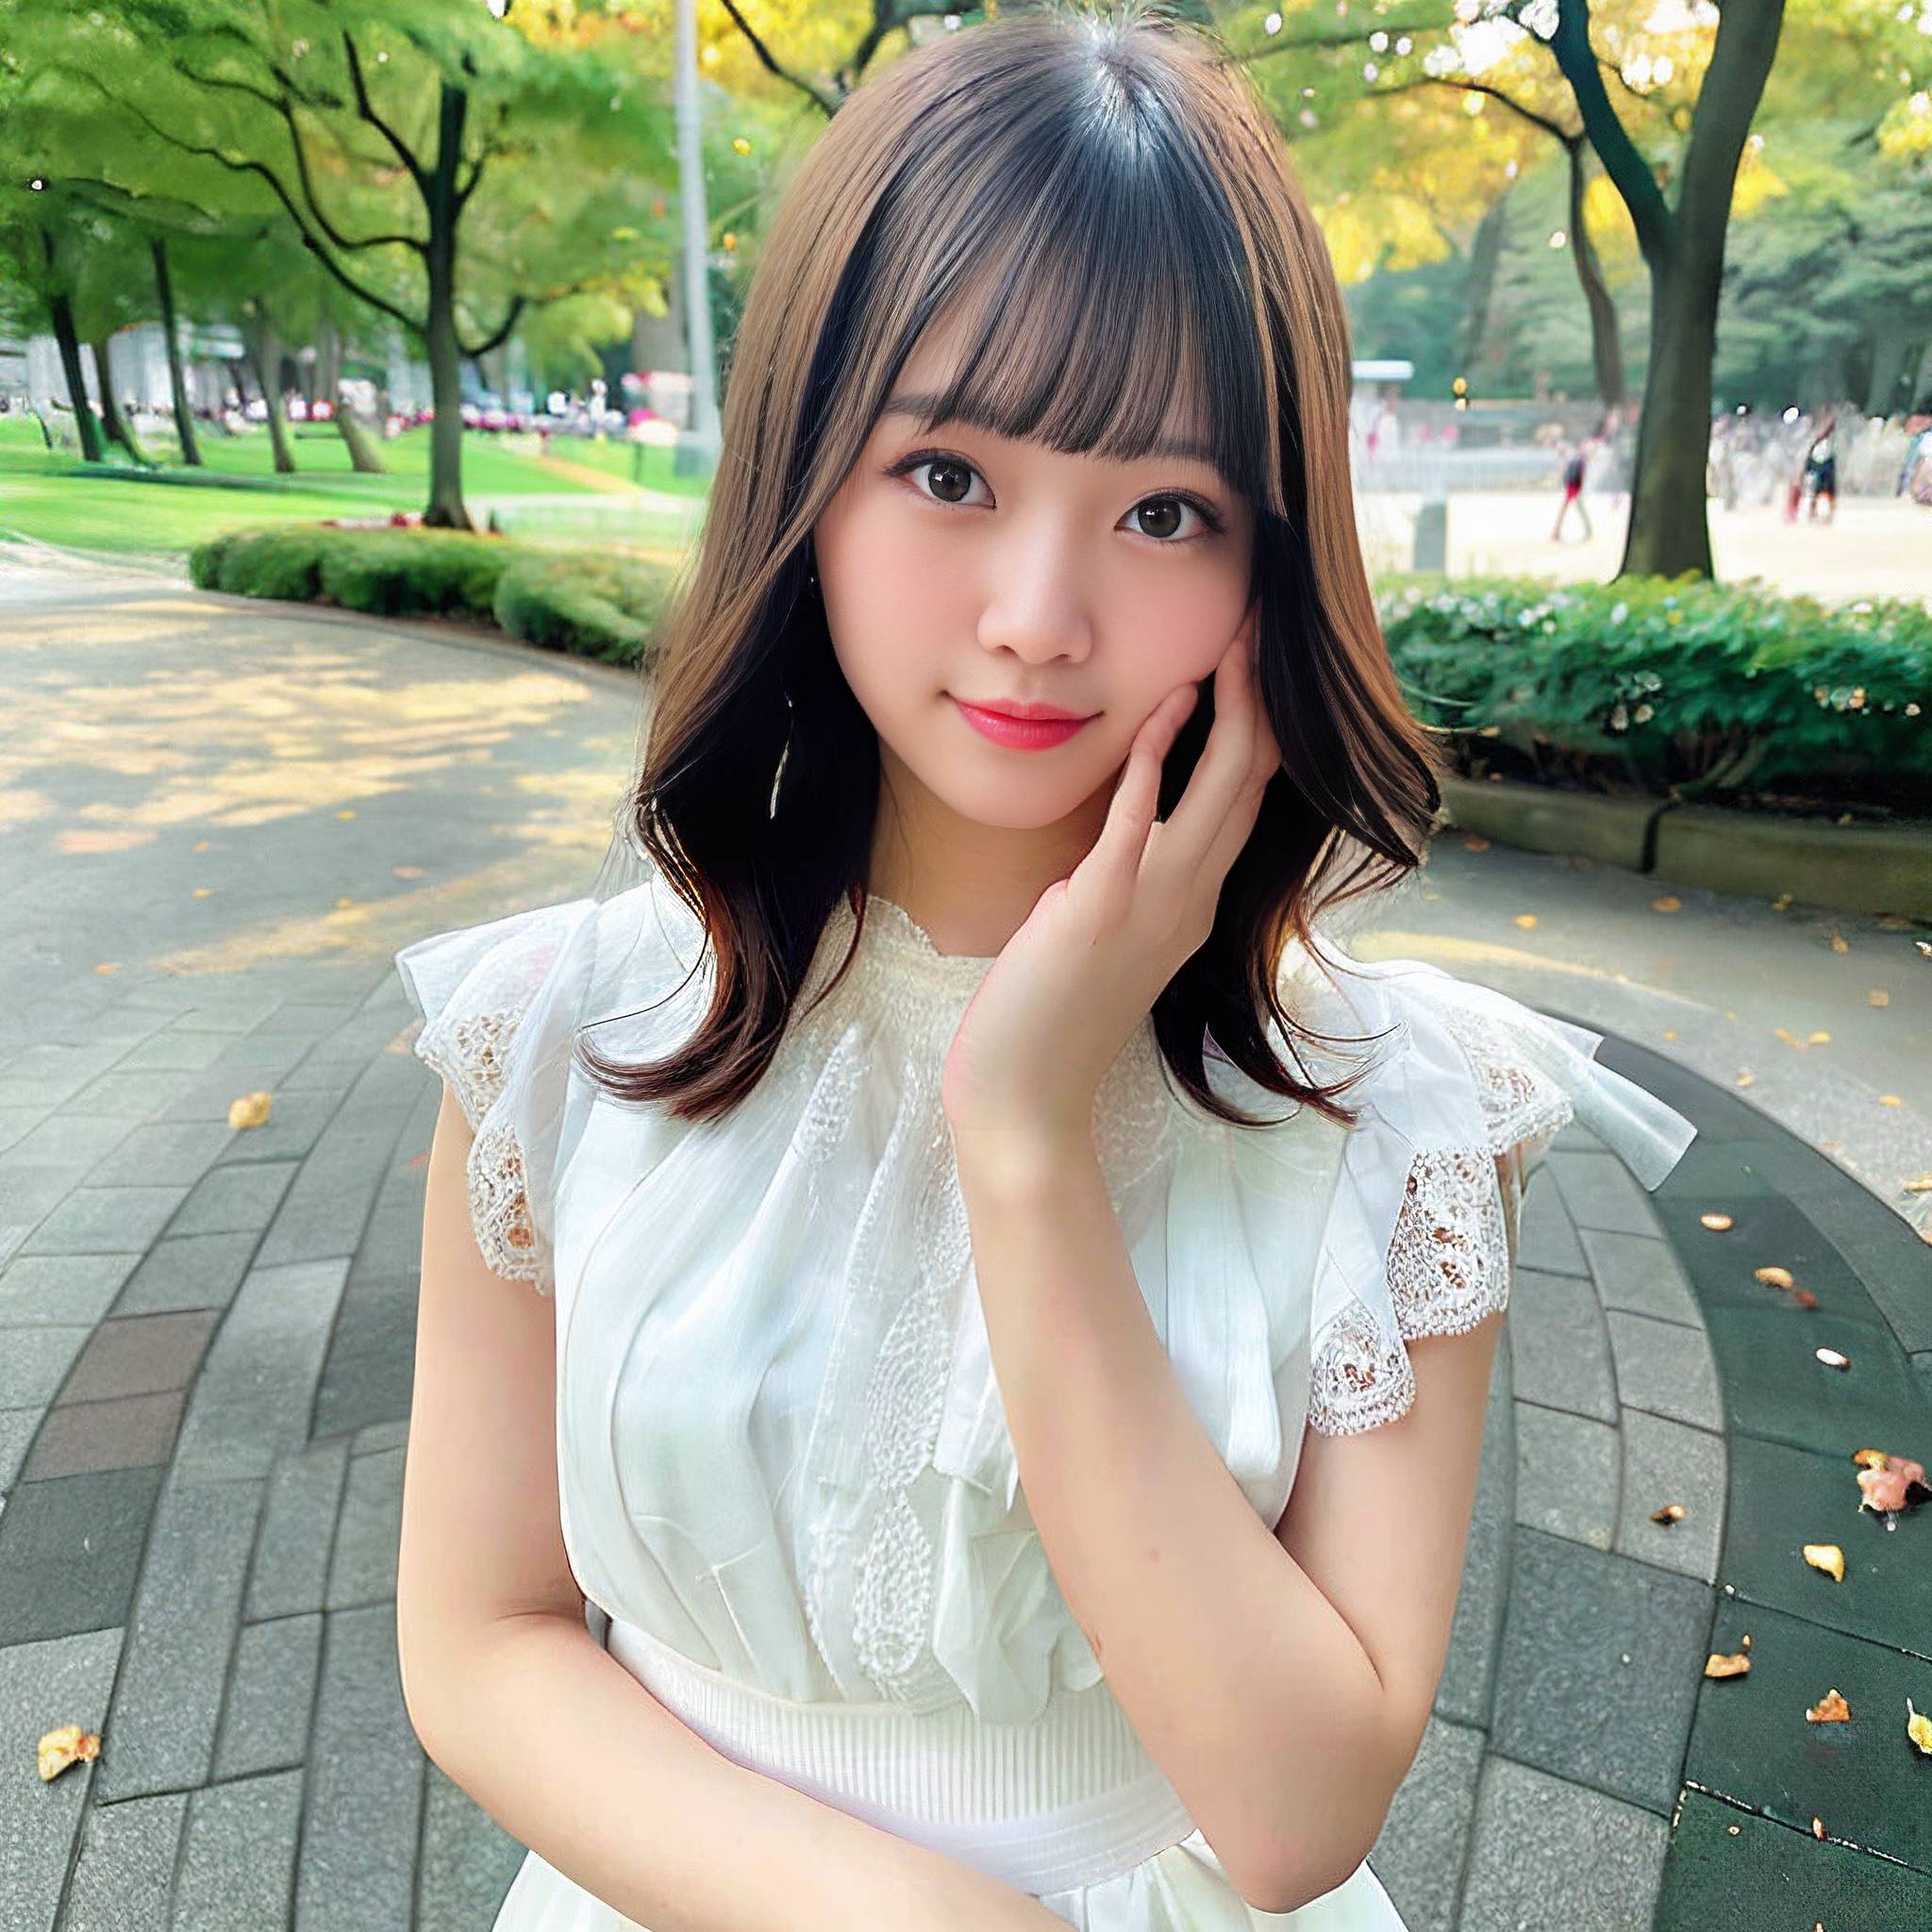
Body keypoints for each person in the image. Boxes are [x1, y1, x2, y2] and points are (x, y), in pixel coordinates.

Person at [391, 8, 1698, 1930]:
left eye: (1161, 510)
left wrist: (1022, 1129)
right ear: (806, 479)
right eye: (946, 473)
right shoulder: (560, 1033)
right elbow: (483, 1636)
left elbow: (1291, 1809)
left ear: (1268, 559)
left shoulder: (1397, 1116)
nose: (1035, 619)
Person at [1551, 437, 1592, 541]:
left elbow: (1583, 475)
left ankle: (1557, 532)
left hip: (1575, 487)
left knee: (1572, 509)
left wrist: (1581, 488)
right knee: (1569, 509)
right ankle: (1557, 532)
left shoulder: (1580, 460)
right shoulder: (1575, 458)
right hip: (1572, 487)